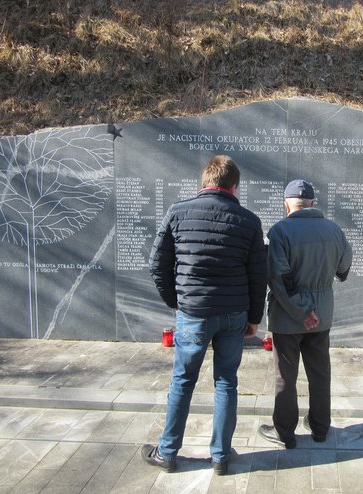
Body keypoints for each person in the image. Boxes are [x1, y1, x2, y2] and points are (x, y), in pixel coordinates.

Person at [142, 155, 267, 475]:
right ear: (234, 187)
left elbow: (158, 265)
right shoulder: (249, 221)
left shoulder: (177, 212)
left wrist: (177, 301)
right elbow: (258, 275)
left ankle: (168, 452)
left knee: (183, 381)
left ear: (205, 182)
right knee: (226, 382)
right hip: (233, 313)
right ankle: (221, 456)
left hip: (193, 312)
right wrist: (255, 316)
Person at [258, 179, 352, 449]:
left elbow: (278, 278)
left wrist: (302, 311)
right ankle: (320, 427)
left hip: (288, 317)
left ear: (287, 205)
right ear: (312, 203)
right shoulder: (334, 230)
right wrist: (312, 310)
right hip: (322, 314)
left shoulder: (279, 232)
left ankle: (285, 433)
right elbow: (343, 269)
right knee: (320, 372)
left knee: (285, 376)